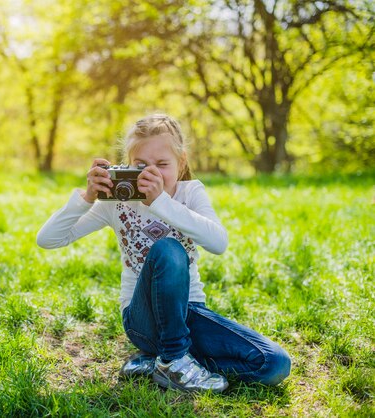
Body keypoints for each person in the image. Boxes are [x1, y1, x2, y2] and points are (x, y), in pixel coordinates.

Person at [36, 113, 291, 393]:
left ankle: (160, 363)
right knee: (168, 249)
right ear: (127, 164)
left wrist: (161, 202)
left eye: (162, 164)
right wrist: (85, 199)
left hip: (189, 314)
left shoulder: (190, 193)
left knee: (274, 364)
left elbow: (218, 243)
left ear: (181, 164)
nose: (150, 173)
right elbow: (49, 239)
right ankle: (173, 360)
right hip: (142, 322)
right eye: (141, 165)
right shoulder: (118, 202)